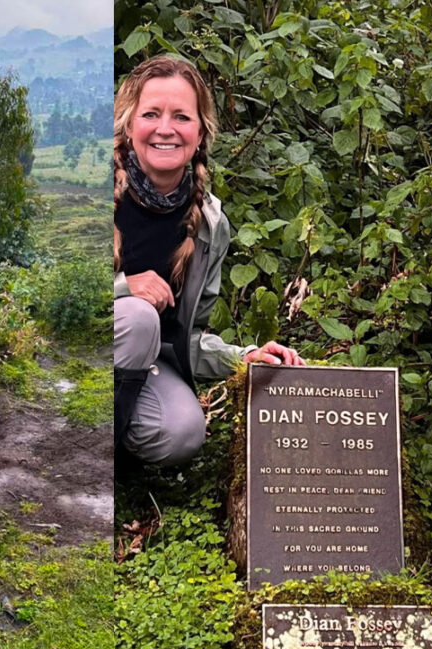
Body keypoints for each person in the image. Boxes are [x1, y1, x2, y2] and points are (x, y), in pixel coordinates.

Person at [113, 55, 303, 466]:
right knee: (137, 318)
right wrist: (127, 288)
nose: (166, 129)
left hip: (149, 361)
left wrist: (245, 357)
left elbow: (187, 341)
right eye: (151, 114)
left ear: (200, 133)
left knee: (181, 432)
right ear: (130, 126)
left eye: (181, 116)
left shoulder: (210, 223)